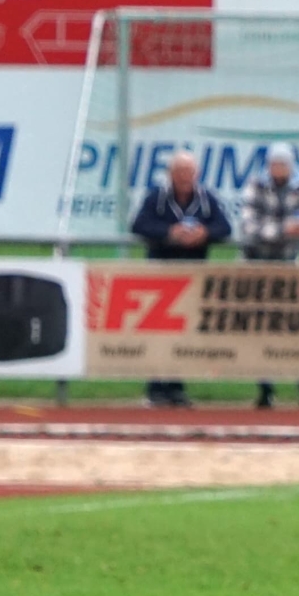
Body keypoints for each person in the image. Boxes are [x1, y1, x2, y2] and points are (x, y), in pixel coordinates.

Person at [132, 150, 231, 409]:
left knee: (184, 333)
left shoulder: (206, 198)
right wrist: (170, 232)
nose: (185, 177)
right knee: (157, 332)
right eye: (180, 172)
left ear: (197, 174)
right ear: (171, 174)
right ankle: (155, 388)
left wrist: (204, 233)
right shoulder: (157, 197)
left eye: (189, 172)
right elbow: (139, 225)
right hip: (160, 276)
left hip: (191, 276)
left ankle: (176, 388)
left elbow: (225, 228)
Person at [240, 143, 299, 411]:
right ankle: (266, 390)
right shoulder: (256, 185)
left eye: (283, 164)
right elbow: (249, 227)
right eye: (274, 164)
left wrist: (286, 231)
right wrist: (283, 230)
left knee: (298, 325)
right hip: (257, 263)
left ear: (291, 165)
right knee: (260, 327)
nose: (278, 169)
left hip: (290, 263)